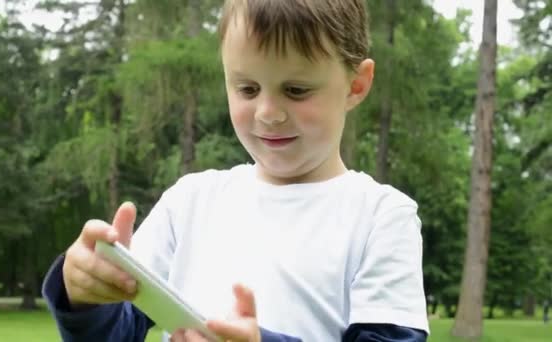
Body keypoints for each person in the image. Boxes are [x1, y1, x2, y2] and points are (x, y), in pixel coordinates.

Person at [42, 0, 430, 341]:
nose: (268, 113)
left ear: (356, 85)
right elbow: (118, 332)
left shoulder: (381, 217)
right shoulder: (190, 203)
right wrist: (85, 298)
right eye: (247, 89)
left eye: (295, 90)